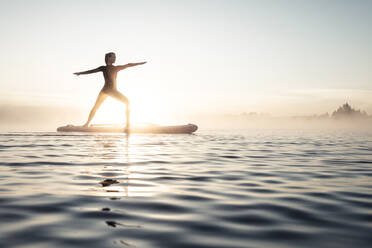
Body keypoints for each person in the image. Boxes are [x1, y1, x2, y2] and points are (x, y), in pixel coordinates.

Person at [73, 52, 146, 129]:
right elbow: (91, 71)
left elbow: (128, 65)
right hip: (107, 91)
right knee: (96, 107)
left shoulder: (116, 68)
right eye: (113, 57)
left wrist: (140, 63)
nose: (115, 58)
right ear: (108, 58)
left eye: (115, 57)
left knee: (127, 102)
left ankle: (127, 125)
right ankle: (86, 124)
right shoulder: (103, 68)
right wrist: (80, 73)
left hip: (111, 91)